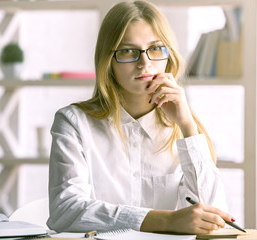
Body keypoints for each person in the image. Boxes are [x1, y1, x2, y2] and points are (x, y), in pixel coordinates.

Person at [47, 0, 234, 234]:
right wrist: (166, 221)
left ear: (169, 54)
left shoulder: (184, 127)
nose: (144, 63)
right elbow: (66, 210)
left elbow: (213, 217)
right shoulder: (74, 123)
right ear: (108, 61)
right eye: (127, 51)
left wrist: (187, 126)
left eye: (155, 48)